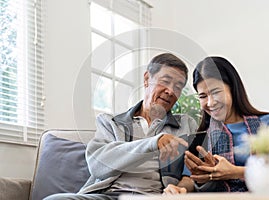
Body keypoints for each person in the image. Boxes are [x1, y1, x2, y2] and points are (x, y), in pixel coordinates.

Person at [44, 53, 198, 200]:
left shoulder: (185, 125)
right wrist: (152, 143)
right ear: (146, 79)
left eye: (178, 87)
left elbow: (192, 173)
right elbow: (98, 165)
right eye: (165, 81)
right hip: (108, 195)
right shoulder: (111, 122)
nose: (170, 91)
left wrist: (180, 189)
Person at [163, 56, 269, 194]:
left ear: (233, 88)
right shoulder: (201, 135)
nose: (210, 103)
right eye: (203, 96)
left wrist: (234, 172)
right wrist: (179, 189)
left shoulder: (267, 123)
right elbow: (189, 178)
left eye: (216, 92)